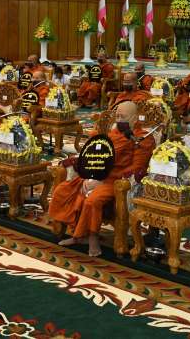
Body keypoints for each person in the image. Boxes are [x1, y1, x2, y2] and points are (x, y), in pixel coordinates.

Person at [47, 101, 144, 257]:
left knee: (92, 200)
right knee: (62, 189)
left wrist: (102, 179)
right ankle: (77, 234)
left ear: (134, 118)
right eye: (117, 116)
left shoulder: (141, 139)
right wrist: (91, 176)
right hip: (98, 174)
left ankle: (92, 237)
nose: (119, 120)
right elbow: (97, 156)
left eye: (123, 117)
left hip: (116, 181)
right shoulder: (113, 134)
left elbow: (137, 167)